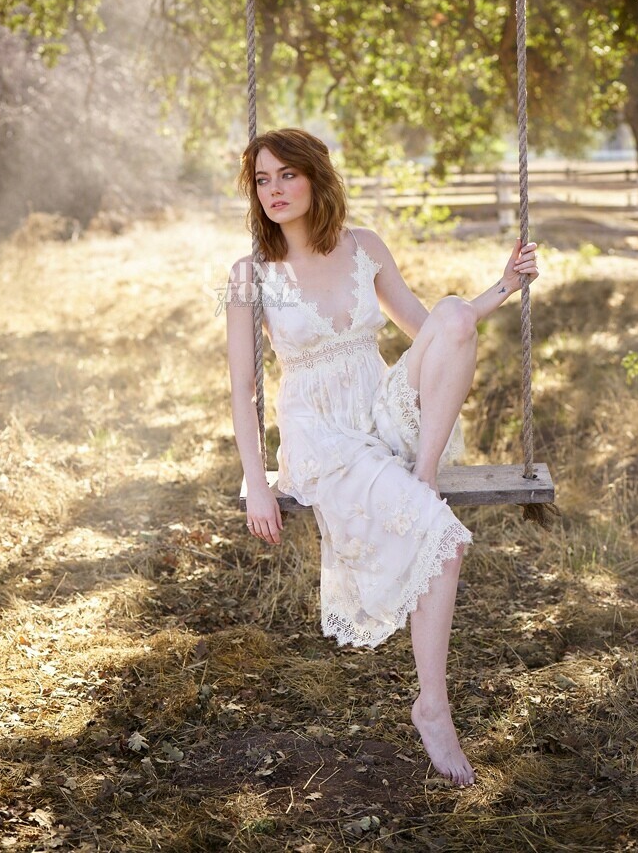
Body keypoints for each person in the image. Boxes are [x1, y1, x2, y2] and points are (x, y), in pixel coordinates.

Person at [225, 128, 539, 787]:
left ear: (315, 177)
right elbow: (244, 389)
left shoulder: (363, 246)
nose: (274, 190)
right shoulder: (252, 275)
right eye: (262, 179)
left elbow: (433, 332)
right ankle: (433, 707)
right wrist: (257, 481)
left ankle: (422, 475)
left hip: (382, 410)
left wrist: (503, 287)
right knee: (444, 543)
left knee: (454, 315)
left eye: (287, 175)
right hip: (322, 437)